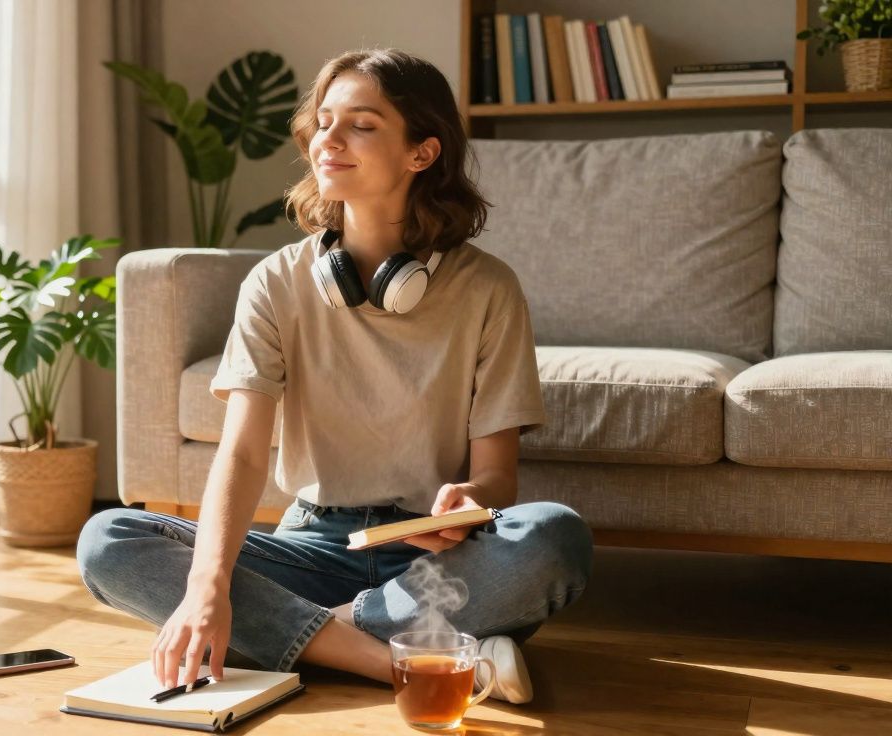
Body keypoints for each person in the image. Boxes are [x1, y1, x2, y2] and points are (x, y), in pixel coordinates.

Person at [76, 48, 592, 705]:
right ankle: (400, 660)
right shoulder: (275, 282)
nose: (329, 139)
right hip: (311, 547)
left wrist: (469, 502)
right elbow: (241, 452)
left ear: (422, 153)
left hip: (432, 563)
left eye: (361, 125)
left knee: (553, 536)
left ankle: (308, 634)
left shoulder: (489, 288)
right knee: (108, 539)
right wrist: (208, 585)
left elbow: (498, 478)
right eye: (323, 122)